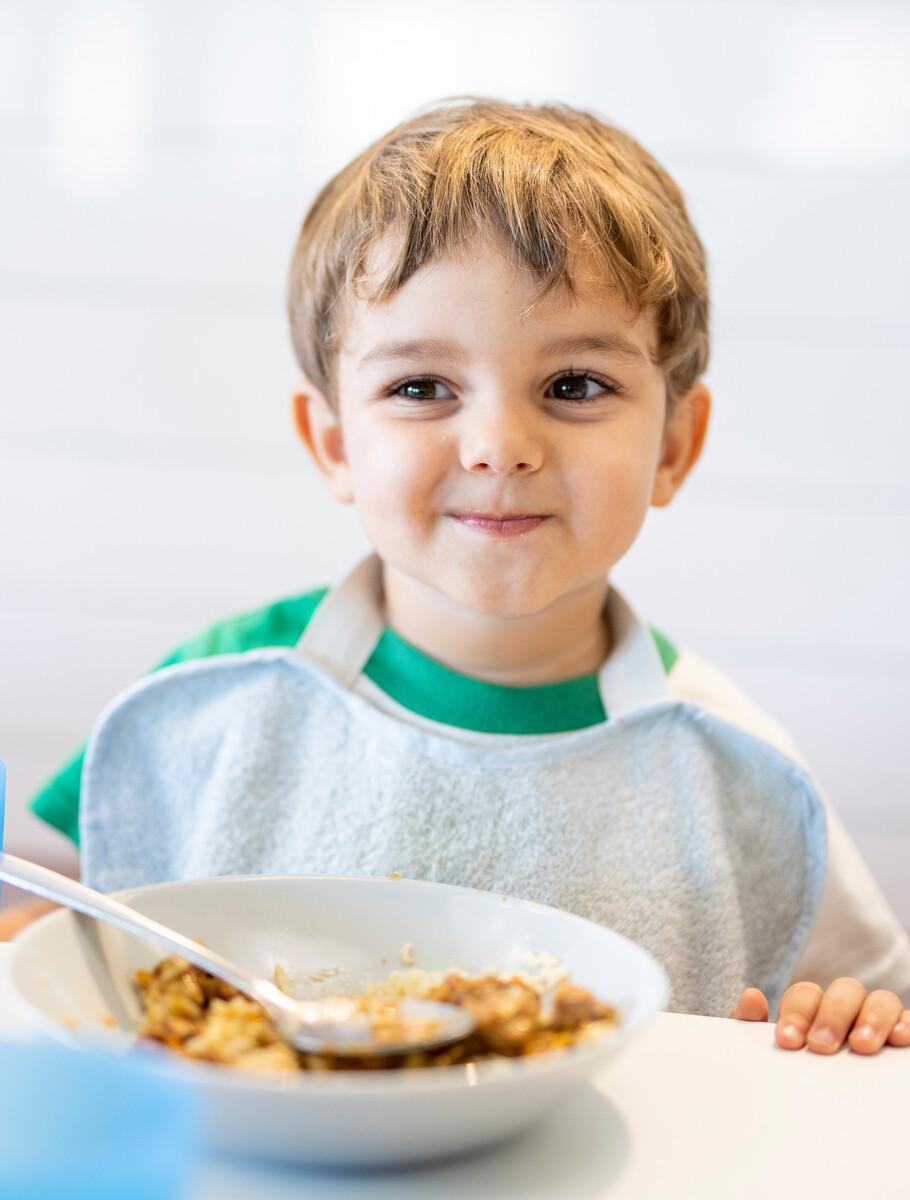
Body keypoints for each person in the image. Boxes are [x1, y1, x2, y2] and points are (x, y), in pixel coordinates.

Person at [5, 98, 909, 1056]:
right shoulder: (214, 696)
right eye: (421, 388)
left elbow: (873, 1020)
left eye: (574, 386)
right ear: (334, 443)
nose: (498, 447)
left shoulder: (741, 773)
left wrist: (851, 1024)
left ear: (674, 445)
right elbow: (65, 925)